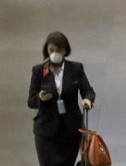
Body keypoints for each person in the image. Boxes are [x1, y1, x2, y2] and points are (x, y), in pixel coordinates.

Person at [29, 32, 96, 166]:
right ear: (47, 50)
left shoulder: (76, 69)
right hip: (46, 131)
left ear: (65, 50)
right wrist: (40, 98)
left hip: (70, 130)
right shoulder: (39, 71)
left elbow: (88, 91)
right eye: (51, 50)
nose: (54, 53)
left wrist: (88, 100)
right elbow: (31, 101)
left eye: (58, 50)